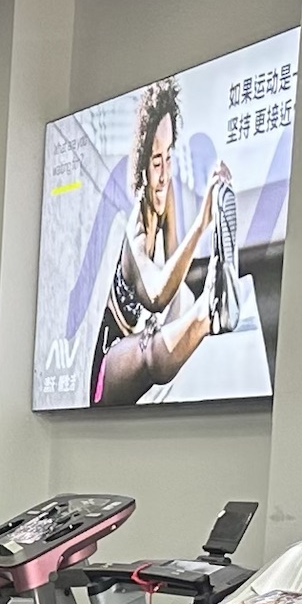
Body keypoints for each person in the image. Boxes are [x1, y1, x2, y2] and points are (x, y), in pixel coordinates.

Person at [90, 84, 230, 404]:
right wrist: (202, 223)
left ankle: (209, 304)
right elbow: (156, 296)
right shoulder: (136, 230)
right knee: (149, 350)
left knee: (177, 307)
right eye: (156, 162)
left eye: (168, 157)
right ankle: (209, 310)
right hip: (106, 368)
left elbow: (173, 276)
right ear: (142, 165)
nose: (165, 174)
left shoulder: (165, 198)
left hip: (133, 335)